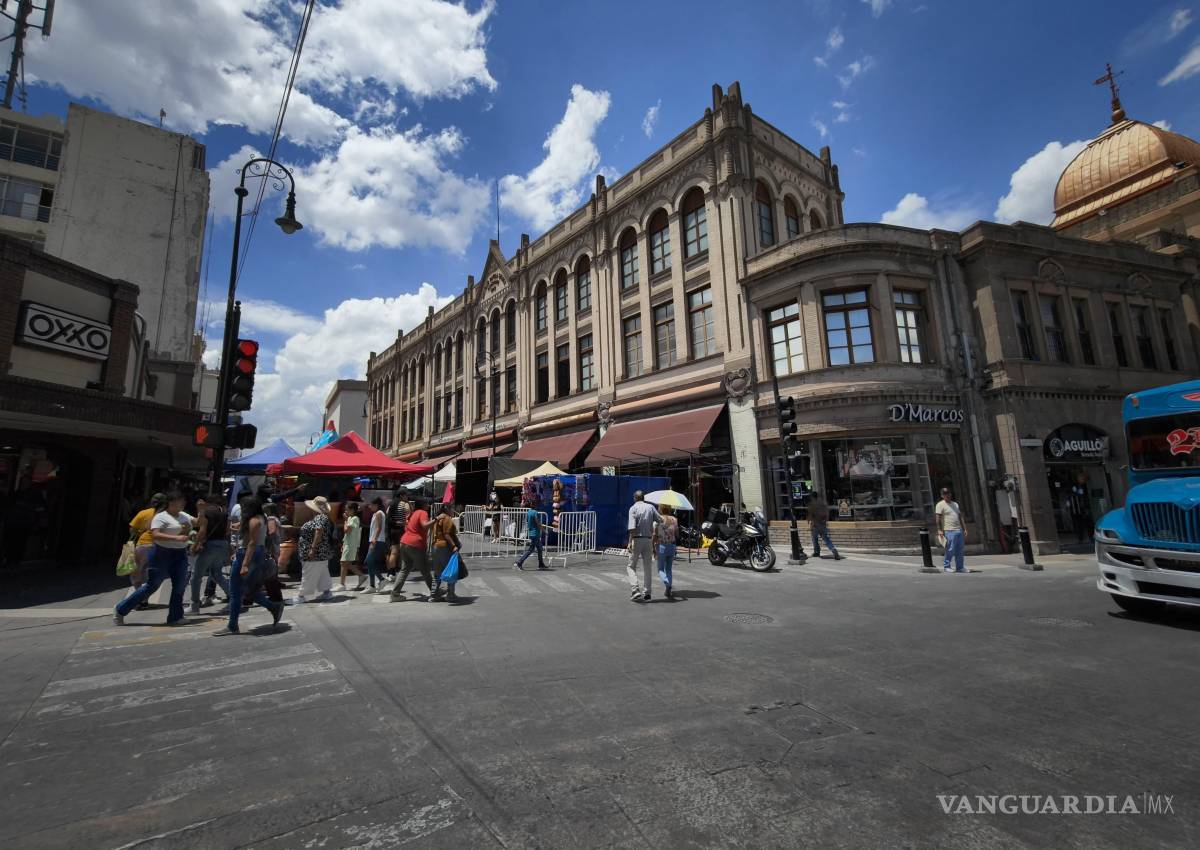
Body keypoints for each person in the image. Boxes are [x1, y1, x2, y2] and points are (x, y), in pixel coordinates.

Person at [114, 491, 193, 625]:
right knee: (152, 585)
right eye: (181, 500)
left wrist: (202, 512)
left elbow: (198, 522)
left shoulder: (183, 515)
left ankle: (175, 617)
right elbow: (155, 535)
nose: (184, 502)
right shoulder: (160, 516)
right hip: (160, 553)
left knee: (179, 587)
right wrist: (176, 537)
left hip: (179, 553)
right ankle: (121, 609)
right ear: (171, 502)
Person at [213, 497, 284, 635]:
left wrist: (244, 563)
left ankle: (233, 626)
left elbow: (251, 542)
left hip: (248, 553)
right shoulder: (260, 517)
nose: (242, 509)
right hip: (255, 553)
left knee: (236, 591)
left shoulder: (254, 520)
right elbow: (242, 529)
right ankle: (273, 607)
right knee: (247, 590)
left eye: (244, 507)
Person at [189, 493, 230, 614]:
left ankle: (194, 605)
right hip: (222, 544)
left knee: (196, 577)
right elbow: (227, 530)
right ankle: (233, 598)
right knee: (217, 573)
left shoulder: (207, 511)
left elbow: (202, 530)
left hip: (210, 545)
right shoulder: (224, 512)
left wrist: (195, 545)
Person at [391, 497, 435, 601]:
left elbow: (407, 527)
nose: (428, 506)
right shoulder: (422, 513)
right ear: (423, 505)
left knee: (404, 569)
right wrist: (436, 519)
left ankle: (395, 594)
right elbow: (424, 525)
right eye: (427, 504)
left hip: (404, 542)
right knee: (425, 570)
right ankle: (435, 592)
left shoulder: (413, 513)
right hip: (416, 544)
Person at [127, 492, 166, 608]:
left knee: (137, 573)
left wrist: (139, 532)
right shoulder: (167, 515)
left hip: (142, 546)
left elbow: (132, 530)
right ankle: (144, 598)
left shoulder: (143, 513)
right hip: (159, 546)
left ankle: (140, 599)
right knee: (150, 574)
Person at [293, 496, 335, 603]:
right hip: (321, 552)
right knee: (322, 573)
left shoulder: (320, 517)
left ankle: (301, 596)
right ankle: (327, 592)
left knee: (309, 573)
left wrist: (312, 548)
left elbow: (319, 531)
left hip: (316, 553)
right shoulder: (323, 517)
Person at [626, 490, 662, 602]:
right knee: (647, 567)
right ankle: (647, 593)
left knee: (631, 566)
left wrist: (629, 542)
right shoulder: (650, 507)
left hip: (636, 539)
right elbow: (660, 520)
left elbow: (632, 528)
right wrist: (653, 528)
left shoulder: (633, 508)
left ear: (635, 498)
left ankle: (635, 590)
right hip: (648, 540)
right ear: (643, 498)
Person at [429, 504, 462, 602]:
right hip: (444, 547)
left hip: (435, 546)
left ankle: (433, 595)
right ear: (447, 509)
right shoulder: (447, 519)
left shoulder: (438, 519)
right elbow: (447, 535)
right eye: (452, 508)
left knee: (437, 573)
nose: (453, 510)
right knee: (451, 570)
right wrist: (454, 546)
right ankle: (450, 594)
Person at [935, 486, 967, 573]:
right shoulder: (940, 504)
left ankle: (960, 567)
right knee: (950, 549)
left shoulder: (955, 504)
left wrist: (964, 528)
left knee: (959, 550)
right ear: (942, 495)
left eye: (948, 493)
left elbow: (960, 517)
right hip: (949, 530)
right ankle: (947, 566)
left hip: (958, 530)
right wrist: (939, 530)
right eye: (945, 493)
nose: (947, 495)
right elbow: (937, 518)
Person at [337, 502, 366, 591]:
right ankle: (361, 575)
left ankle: (342, 584)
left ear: (352, 510)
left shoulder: (354, 519)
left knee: (344, 562)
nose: (345, 511)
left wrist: (345, 520)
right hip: (347, 543)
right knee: (345, 563)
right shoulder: (351, 518)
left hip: (351, 544)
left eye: (347, 509)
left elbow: (347, 530)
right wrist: (343, 543)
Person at [362, 496, 389, 593]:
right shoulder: (377, 513)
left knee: (369, 561)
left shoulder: (378, 513)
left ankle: (381, 579)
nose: (370, 507)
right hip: (376, 540)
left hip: (377, 541)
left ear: (376, 505)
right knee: (370, 562)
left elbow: (379, 528)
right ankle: (372, 585)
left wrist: (374, 540)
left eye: (371, 505)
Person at [653, 503, 679, 601]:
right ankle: (668, 587)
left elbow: (654, 535)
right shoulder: (674, 519)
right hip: (672, 546)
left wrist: (653, 547)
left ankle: (667, 584)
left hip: (661, 546)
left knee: (660, 569)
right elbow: (677, 533)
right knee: (668, 569)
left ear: (660, 509)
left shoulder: (658, 519)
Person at [807, 491, 842, 560]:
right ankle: (833, 550)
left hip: (815, 525)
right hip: (822, 524)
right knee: (826, 539)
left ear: (812, 497)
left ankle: (816, 552)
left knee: (814, 539)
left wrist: (811, 525)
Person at [513, 498, 546, 570]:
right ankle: (520, 562)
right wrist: (544, 530)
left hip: (532, 532)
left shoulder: (529, 511)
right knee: (530, 550)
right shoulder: (535, 512)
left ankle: (541, 563)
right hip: (535, 533)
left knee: (539, 548)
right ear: (535, 504)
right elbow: (538, 523)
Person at [385, 489, 409, 580]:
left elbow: (387, 514)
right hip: (399, 530)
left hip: (391, 530)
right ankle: (396, 572)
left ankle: (391, 572)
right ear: (402, 496)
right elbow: (408, 513)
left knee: (393, 552)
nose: (407, 497)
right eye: (406, 495)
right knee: (398, 552)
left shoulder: (391, 504)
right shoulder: (403, 504)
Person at [1068, 474, 1092, 544]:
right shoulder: (1075, 486)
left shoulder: (1085, 486)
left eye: (1081, 478)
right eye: (1079, 478)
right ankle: (1081, 538)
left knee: (1088, 524)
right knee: (1079, 525)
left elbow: (1084, 496)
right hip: (1077, 509)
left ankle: (1090, 537)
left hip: (1083, 509)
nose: (1080, 480)